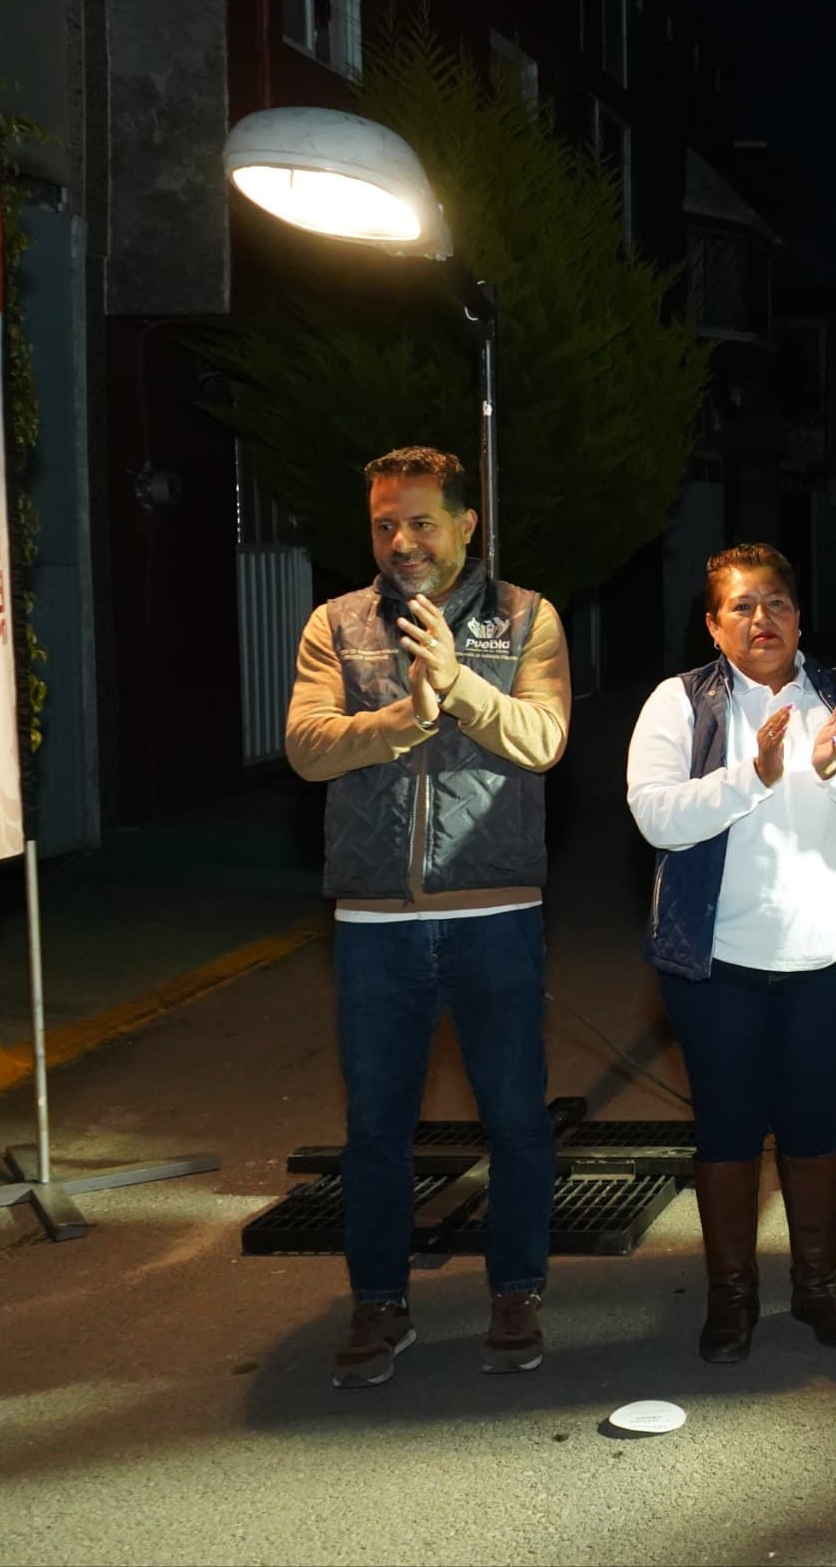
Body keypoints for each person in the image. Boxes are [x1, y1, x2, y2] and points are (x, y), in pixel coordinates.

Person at [284, 446, 572, 1389]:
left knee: (516, 1117)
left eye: (420, 521)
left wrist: (458, 685)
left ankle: (516, 1290)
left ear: (465, 524)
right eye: (384, 524)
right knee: (376, 1127)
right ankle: (379, 1302)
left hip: (496, 908)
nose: (401, 540)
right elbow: (307, 745)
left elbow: (543, 737)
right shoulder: (337, 623)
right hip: (375, 919)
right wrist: (404, 719)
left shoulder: (526, 616)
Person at [629, 543, 836, 1362]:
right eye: (743, 606)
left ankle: (818, 1284)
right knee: (726, 1129)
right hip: (715, 965)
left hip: (829, 960)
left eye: (778, 603)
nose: (763, 619)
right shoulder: (679, 702)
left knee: (815, 1125)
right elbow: (655, 815)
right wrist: (752, 776)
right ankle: (732, 1295)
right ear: (714, 624)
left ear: (798, 615)